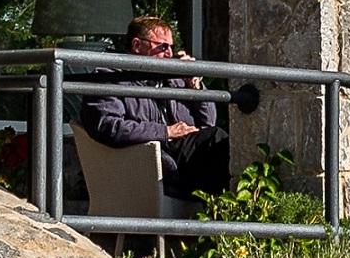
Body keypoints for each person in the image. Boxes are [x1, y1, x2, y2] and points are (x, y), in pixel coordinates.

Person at [85, 13, 241, 213]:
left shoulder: (173, 78)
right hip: (148, 163)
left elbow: (208, 121)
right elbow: (108, 126)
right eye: (163, 47)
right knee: (216, 145)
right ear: (137, 46)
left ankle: (222, 222)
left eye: (171, 47)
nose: (170, 53)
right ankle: (222, 225)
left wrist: (193, 84)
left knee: (221, 143)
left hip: (182, 158)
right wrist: (165, 131)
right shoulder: (110, 78)